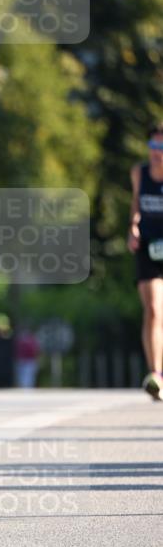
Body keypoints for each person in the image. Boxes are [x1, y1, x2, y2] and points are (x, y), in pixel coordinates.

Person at [128, 121, 163, 401]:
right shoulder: (139, 173)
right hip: (149, 248)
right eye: (153, 146)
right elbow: (137, 206)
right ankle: (155, 374)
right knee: (152, 310)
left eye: (161, 147)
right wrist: (133, 227)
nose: (156, 152)